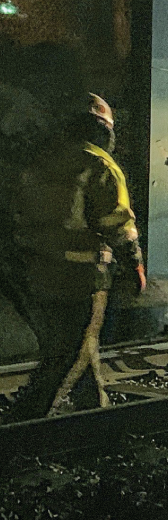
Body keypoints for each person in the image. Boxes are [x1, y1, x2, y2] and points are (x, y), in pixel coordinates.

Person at [7, 94, 145, 421]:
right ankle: (23, 423)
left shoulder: (41, 160)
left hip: (36, 271)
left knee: (77, 343)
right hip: (80, 274)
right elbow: (117, 224)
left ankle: (95, 413)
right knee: (68, 354)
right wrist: (135, 265)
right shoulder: (100, 165)